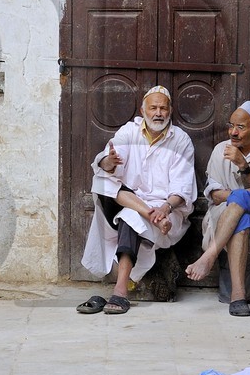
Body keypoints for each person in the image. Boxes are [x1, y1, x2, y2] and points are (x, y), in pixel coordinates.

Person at [77, 86, 196, 315]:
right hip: (131, 201)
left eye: (163, 108)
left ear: (170, 111)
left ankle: (120, 291)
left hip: (166, 211)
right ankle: (146, 212)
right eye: (153, 108)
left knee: (129, 216)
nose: (158, 113)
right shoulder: (129, 132)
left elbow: (182, 188)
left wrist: (164, 207)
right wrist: (109, 162)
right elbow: (104, 163)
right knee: (101, 181)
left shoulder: (180, 140)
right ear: (143, 110)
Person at [185, 101, 250, 317]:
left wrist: (244, 166)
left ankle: (209, 256)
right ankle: (238, 296)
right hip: (225, 215)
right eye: (231, 125)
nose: (233, 132)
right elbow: (214, 195)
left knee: (242, 198)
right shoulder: (218, 151)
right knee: (241, 218)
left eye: (240, 127)